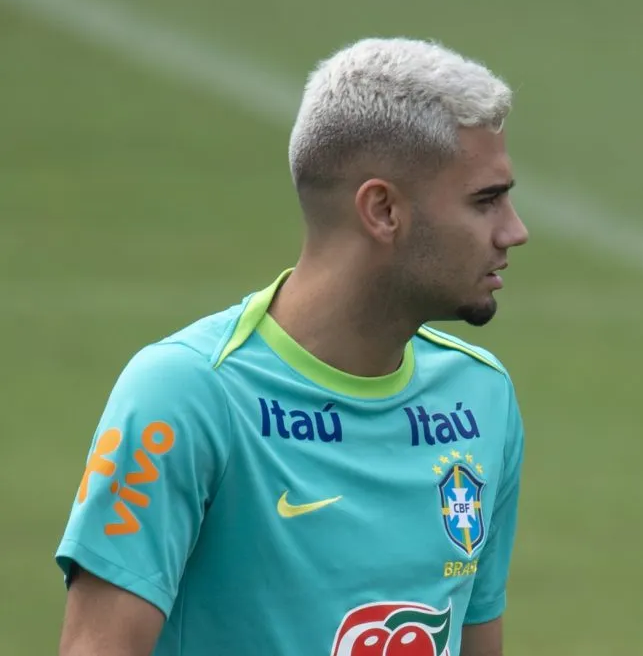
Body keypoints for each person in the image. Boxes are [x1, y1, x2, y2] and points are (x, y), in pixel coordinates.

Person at [55, 37, 530, 656]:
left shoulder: (480, 397)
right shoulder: (187, 395)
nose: (514, 231)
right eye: (485, 201)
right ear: (383, 210)